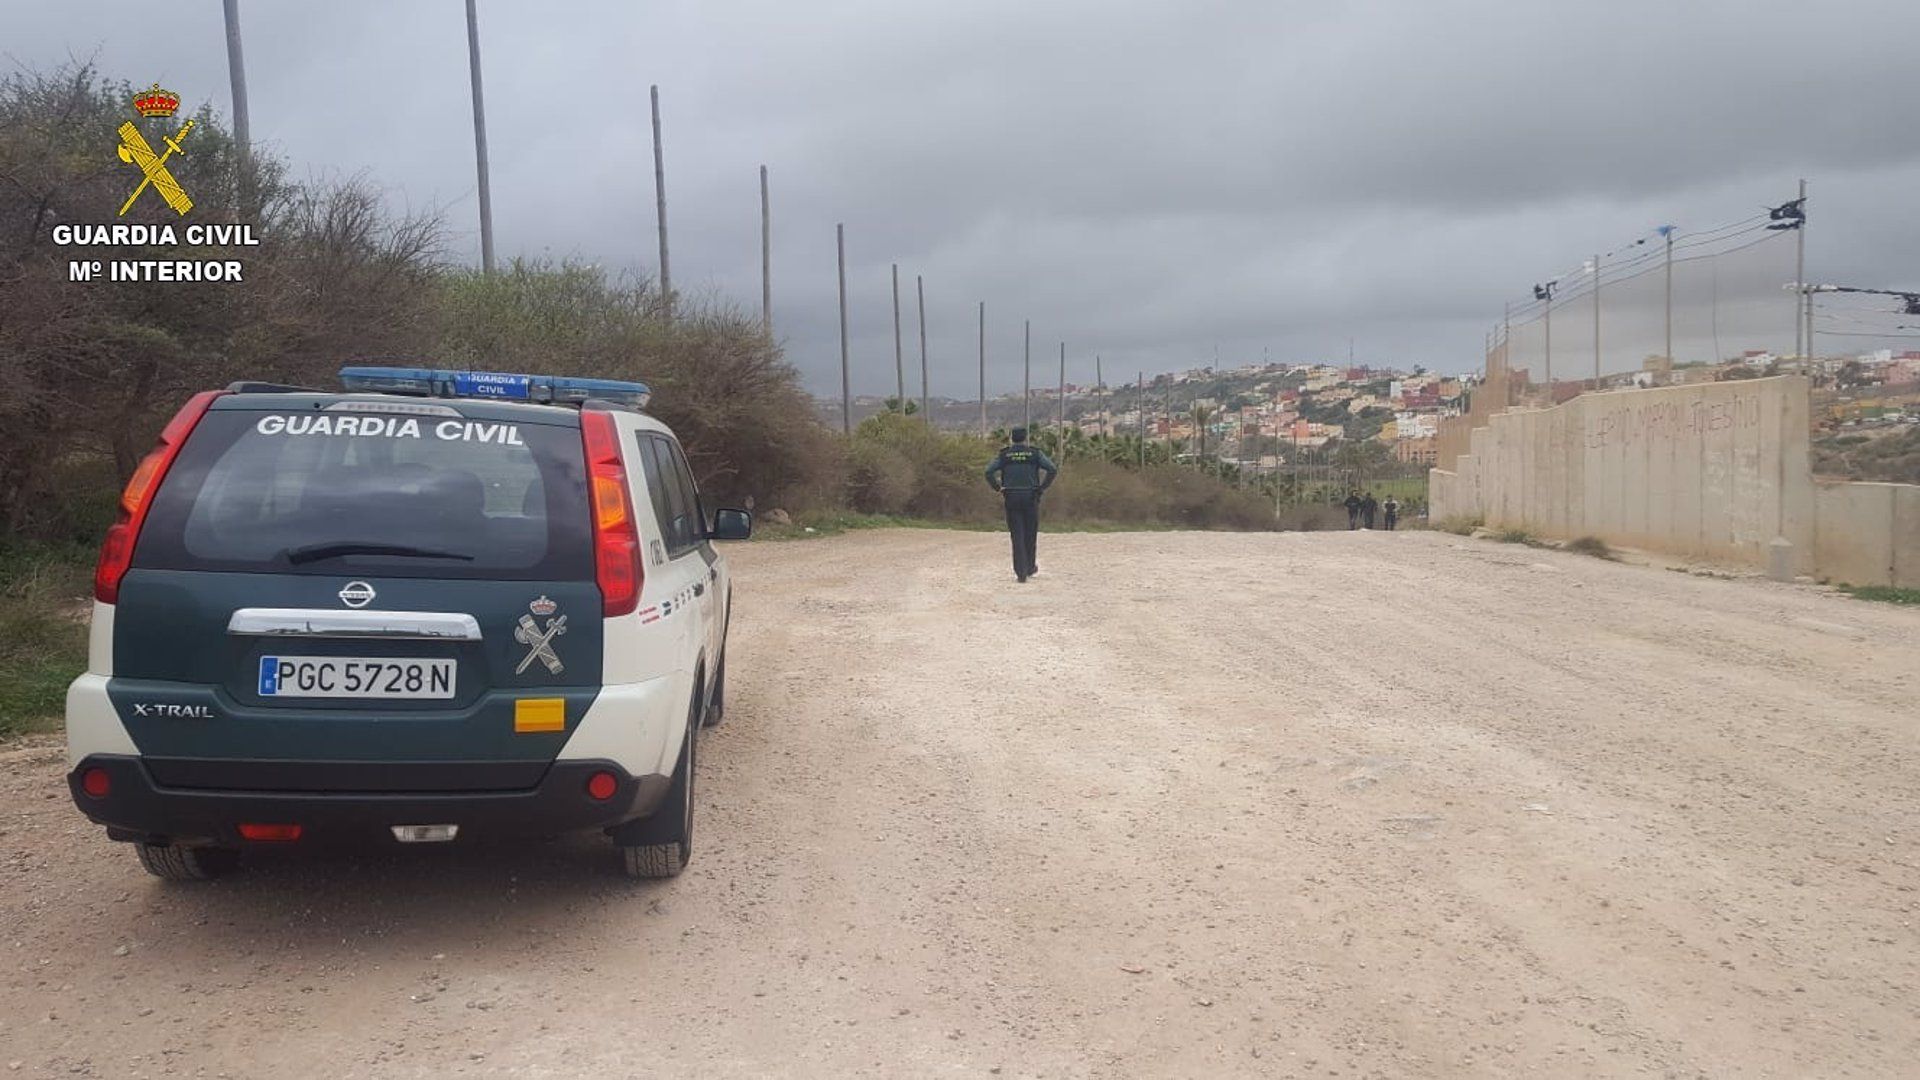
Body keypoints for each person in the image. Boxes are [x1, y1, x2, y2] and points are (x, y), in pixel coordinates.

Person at [985, 428, 1057, 583]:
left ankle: (1020, 572)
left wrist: (998, 487)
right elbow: (1052, 469)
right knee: (1030, 533)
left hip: (1011, 496)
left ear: (1012, 438)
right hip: (1031, 496)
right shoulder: (1034, 453)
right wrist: (1042, 487)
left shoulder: (1005, 455)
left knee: (1017, 534)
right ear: (1025, 438)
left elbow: (988, 471)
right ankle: (1030, 567)